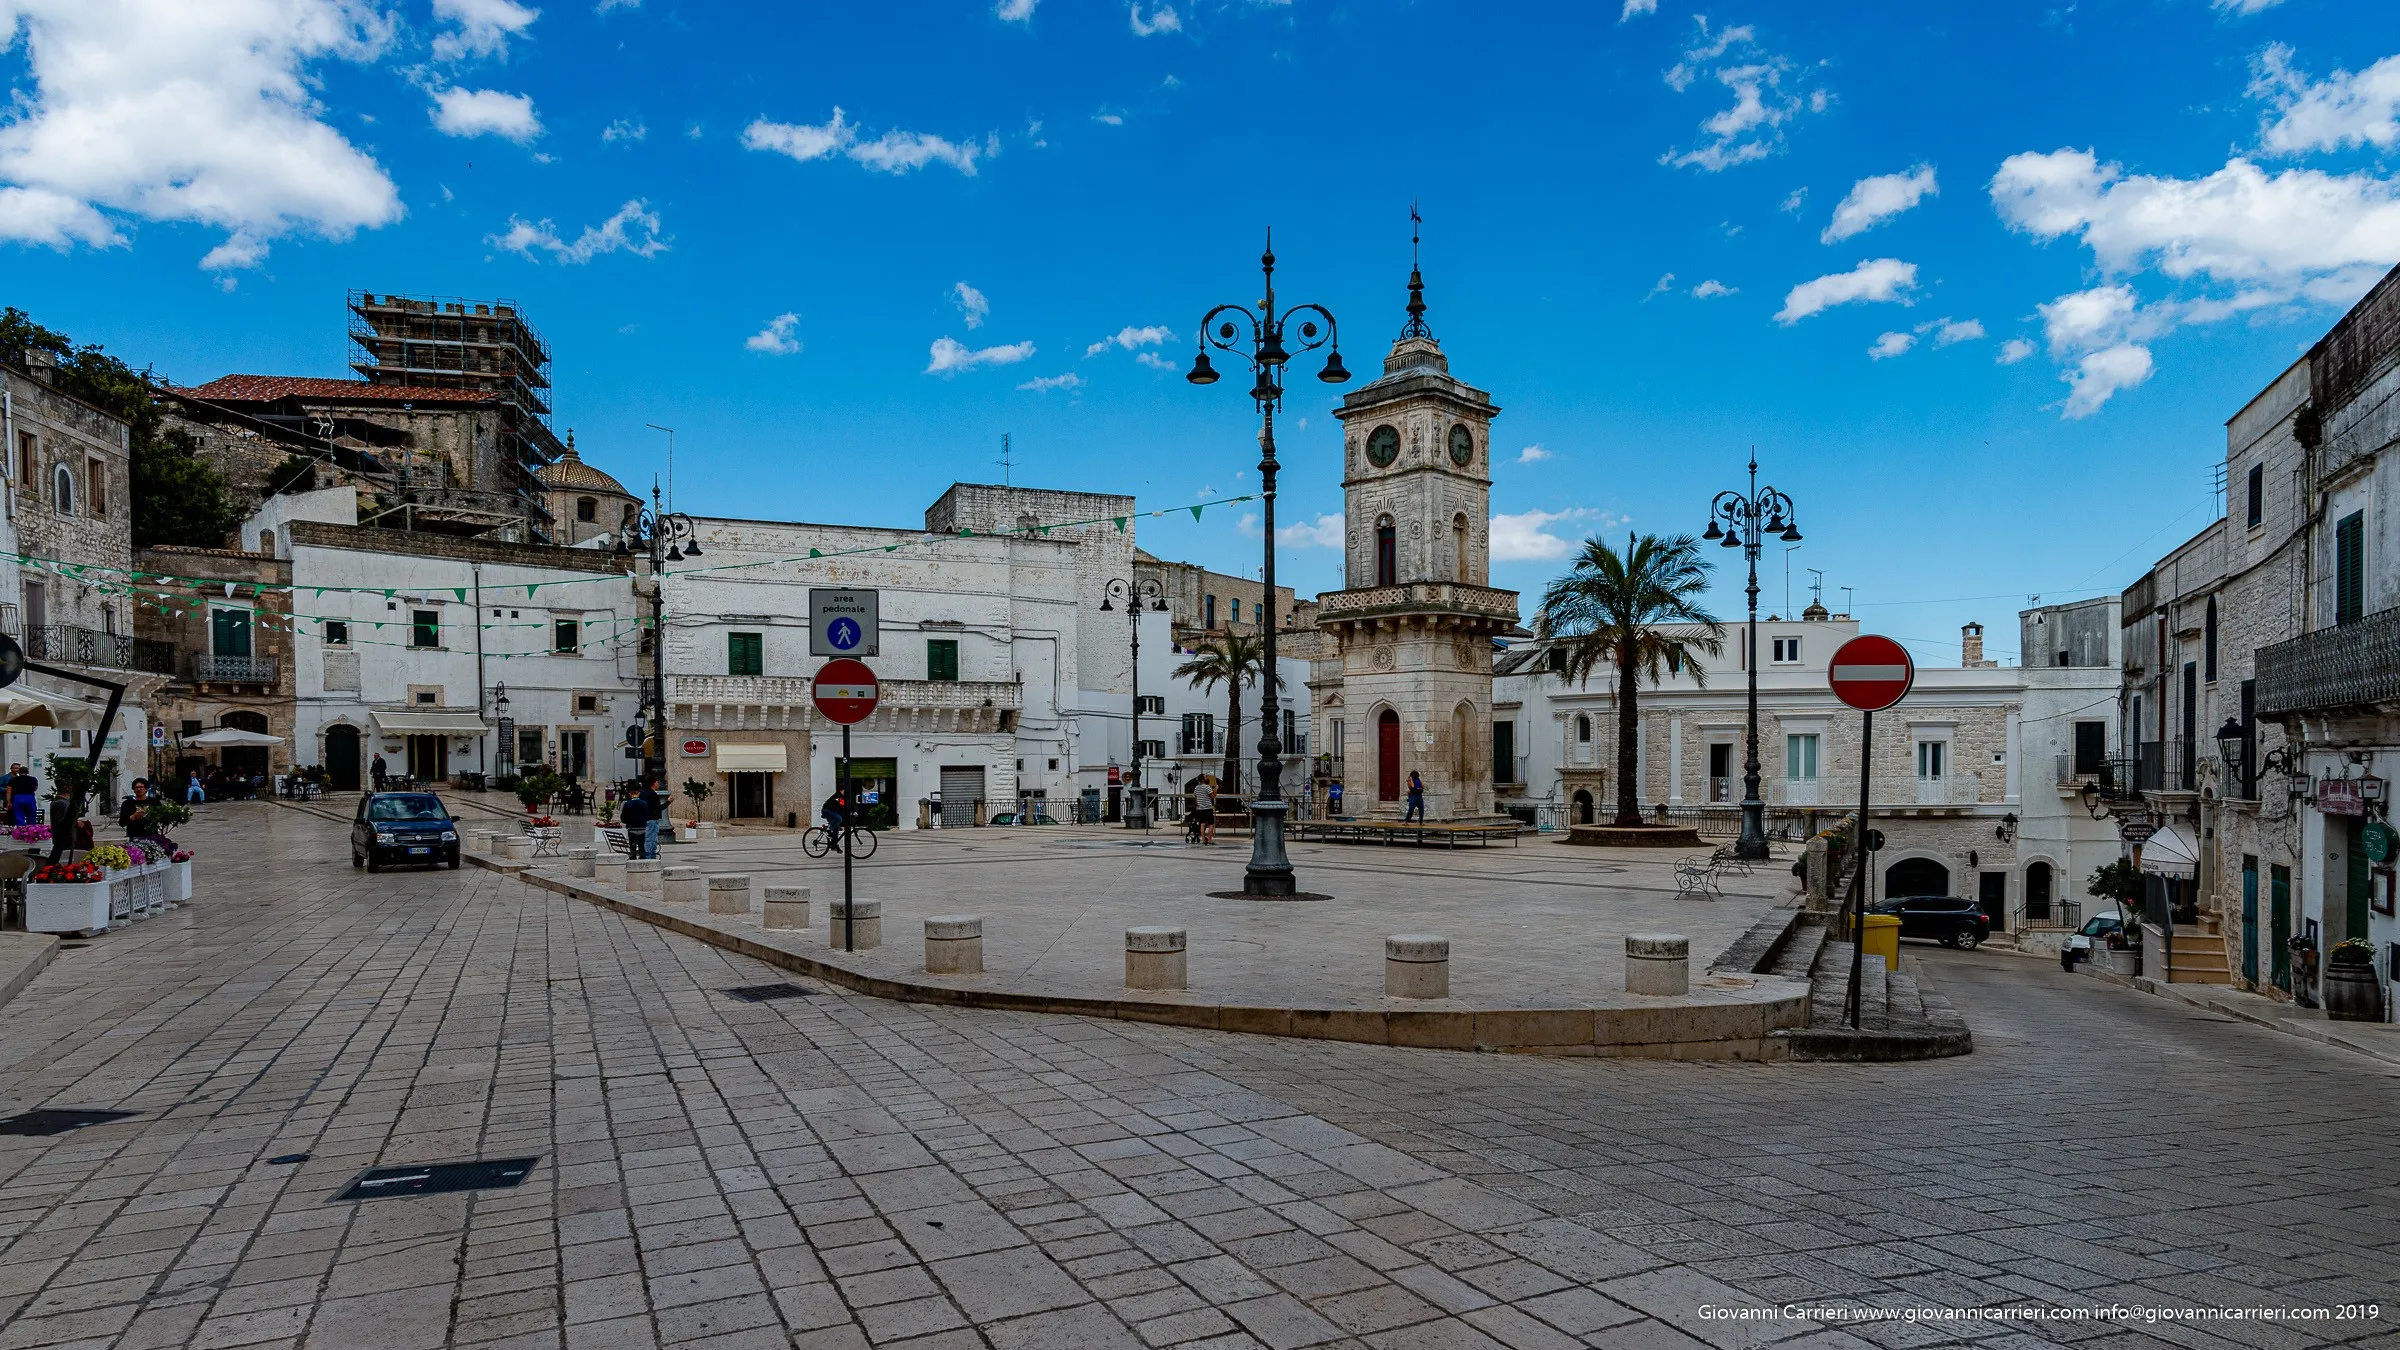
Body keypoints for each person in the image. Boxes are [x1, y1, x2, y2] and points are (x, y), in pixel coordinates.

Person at [639, 780, 665, 858]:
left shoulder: (642, 793)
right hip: (652, 820)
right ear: (653, 783)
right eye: (657, 781)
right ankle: (650, 858)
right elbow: (658, 808)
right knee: (651, 840)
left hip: (644, 819)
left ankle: (649, 857)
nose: (658, 783)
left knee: (649, 839)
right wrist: (668, 802)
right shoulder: (653, 795)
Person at [1192, 776, 1217, 845]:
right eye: (1205, 777)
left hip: (1200, 809)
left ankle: (1203, 840)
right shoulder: (1207, 787)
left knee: (1202, 824)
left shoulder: (1196, 788)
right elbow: (1213, 796)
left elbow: (1196, 798)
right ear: (1203, 779)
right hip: (1208, 808)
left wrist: (1198, 806)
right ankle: (1209, 840)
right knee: (1211, 824)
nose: (1207, 778)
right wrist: (1216, 789)